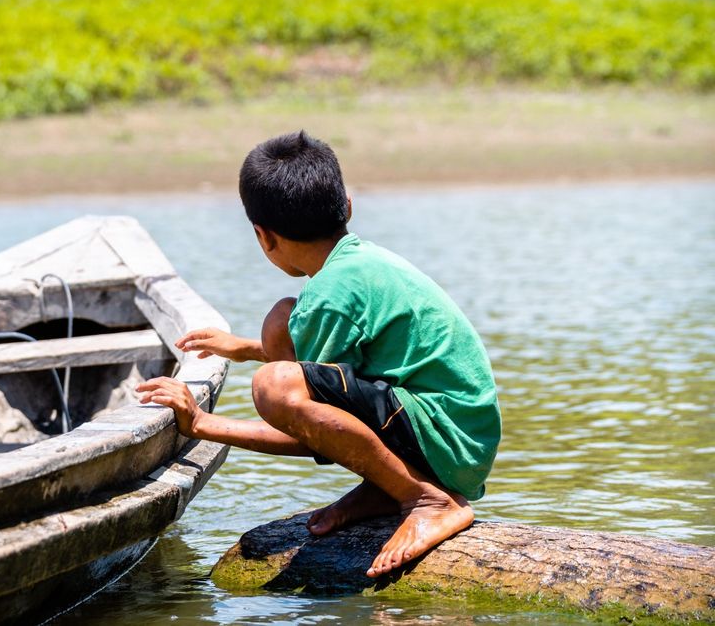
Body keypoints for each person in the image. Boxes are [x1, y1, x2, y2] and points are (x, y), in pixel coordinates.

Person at [137, 131, 501, 578]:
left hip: (447, 441)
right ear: (347, 205)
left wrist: (203, 425)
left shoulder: (328, 297)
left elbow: (310, 425)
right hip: (460, 434)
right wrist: (247, 348)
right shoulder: (358, 264)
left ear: (263, 236)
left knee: (274, 383)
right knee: (280, 323)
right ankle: (386, 487)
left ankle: (426, 498)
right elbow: (339, 386)